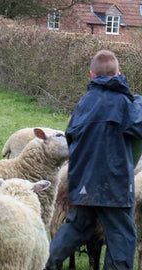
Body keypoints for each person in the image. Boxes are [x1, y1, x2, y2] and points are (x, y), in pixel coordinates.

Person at [45, 50, 142, 270]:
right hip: (114, 183)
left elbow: (70, 136)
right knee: (122, 236)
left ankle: (48, 263)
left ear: (92, 75)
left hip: (82, 180)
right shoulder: (125, 103)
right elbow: (138, 127)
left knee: (76, 226)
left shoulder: (84, 103)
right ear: (118, 73)